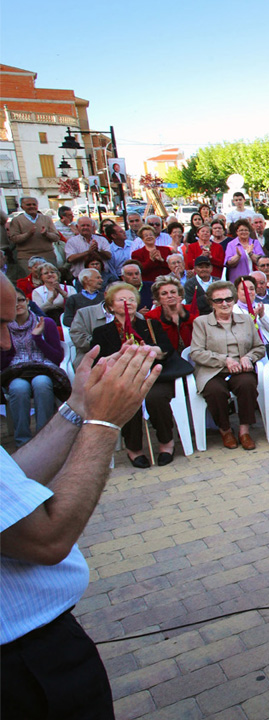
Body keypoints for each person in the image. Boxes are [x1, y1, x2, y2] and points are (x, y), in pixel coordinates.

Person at [1, 273, 159, 720]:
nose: (6, 343)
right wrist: (105, 424)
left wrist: (77, 409)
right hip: (22, 666)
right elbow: (47, 539)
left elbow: (10, 480)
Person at [90, 282, 177, 468]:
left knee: (157, 397)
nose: (127, 303)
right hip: (121, 379)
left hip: (153, 375)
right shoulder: (101, 332)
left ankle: (166, 442)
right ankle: (134, 448)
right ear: (111, 306)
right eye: (121, 300)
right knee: (128, 400)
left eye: (131, 299)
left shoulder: (150, 325)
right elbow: (97, 361)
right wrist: (120, 354)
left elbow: (167, 349)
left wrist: (149, 349)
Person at [190, 280, 267, 450]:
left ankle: (244, 431)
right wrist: (225, 360)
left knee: (247, 384)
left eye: (228, 299)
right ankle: (225, 430)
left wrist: (249, 357)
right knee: (215, 391)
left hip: (241, 369)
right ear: (211, 303)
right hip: (212, 370)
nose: (224, 303)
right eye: (219, 300)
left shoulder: (246, 319)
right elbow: (196, 352)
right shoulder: (201, 323)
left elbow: (259, 347)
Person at [1, 287, 66, 447]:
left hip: (44, 368)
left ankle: (43, 439)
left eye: (20, 300)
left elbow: (57, 357)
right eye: (12, 302)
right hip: (15, 372)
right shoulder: (3, 329)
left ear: (27, 302)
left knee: (41, 383)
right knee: (18, 388)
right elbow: (2, 364)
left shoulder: (46, 323)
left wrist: (37, 338)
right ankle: (22, 442)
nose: (17, 304)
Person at [6, 197, 62, 280]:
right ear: (22, 207)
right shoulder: (17, 220)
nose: (31, 206)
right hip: (26, 257)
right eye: (28, 205)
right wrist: (28, 234)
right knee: (30, 282)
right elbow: (14, 238)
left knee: (52, 280)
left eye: (34, 204)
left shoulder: (46, 219)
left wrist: (46, 234)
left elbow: (56, 237)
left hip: (47, 255)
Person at [145, 276, 196, 353]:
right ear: (158, 298)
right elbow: (159, 340)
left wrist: (183, 315)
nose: (170, 296)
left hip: (193, 352)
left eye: (173, 292)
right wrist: (167, 319)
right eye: (164, 293)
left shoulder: (191, 309)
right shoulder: (151, 316)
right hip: (168, 355)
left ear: (180, 294)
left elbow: (198, 328)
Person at [223, 219, 263, 285]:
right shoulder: (231, 244)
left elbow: (260, 261)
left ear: (249, 232)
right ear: (237, 232)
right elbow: (229, 262)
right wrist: (238, 256)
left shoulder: (255, 243)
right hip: (237, 279)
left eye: (246, 230)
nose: (244, 232)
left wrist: (251, 254)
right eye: (241, 230)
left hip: (254, 279)